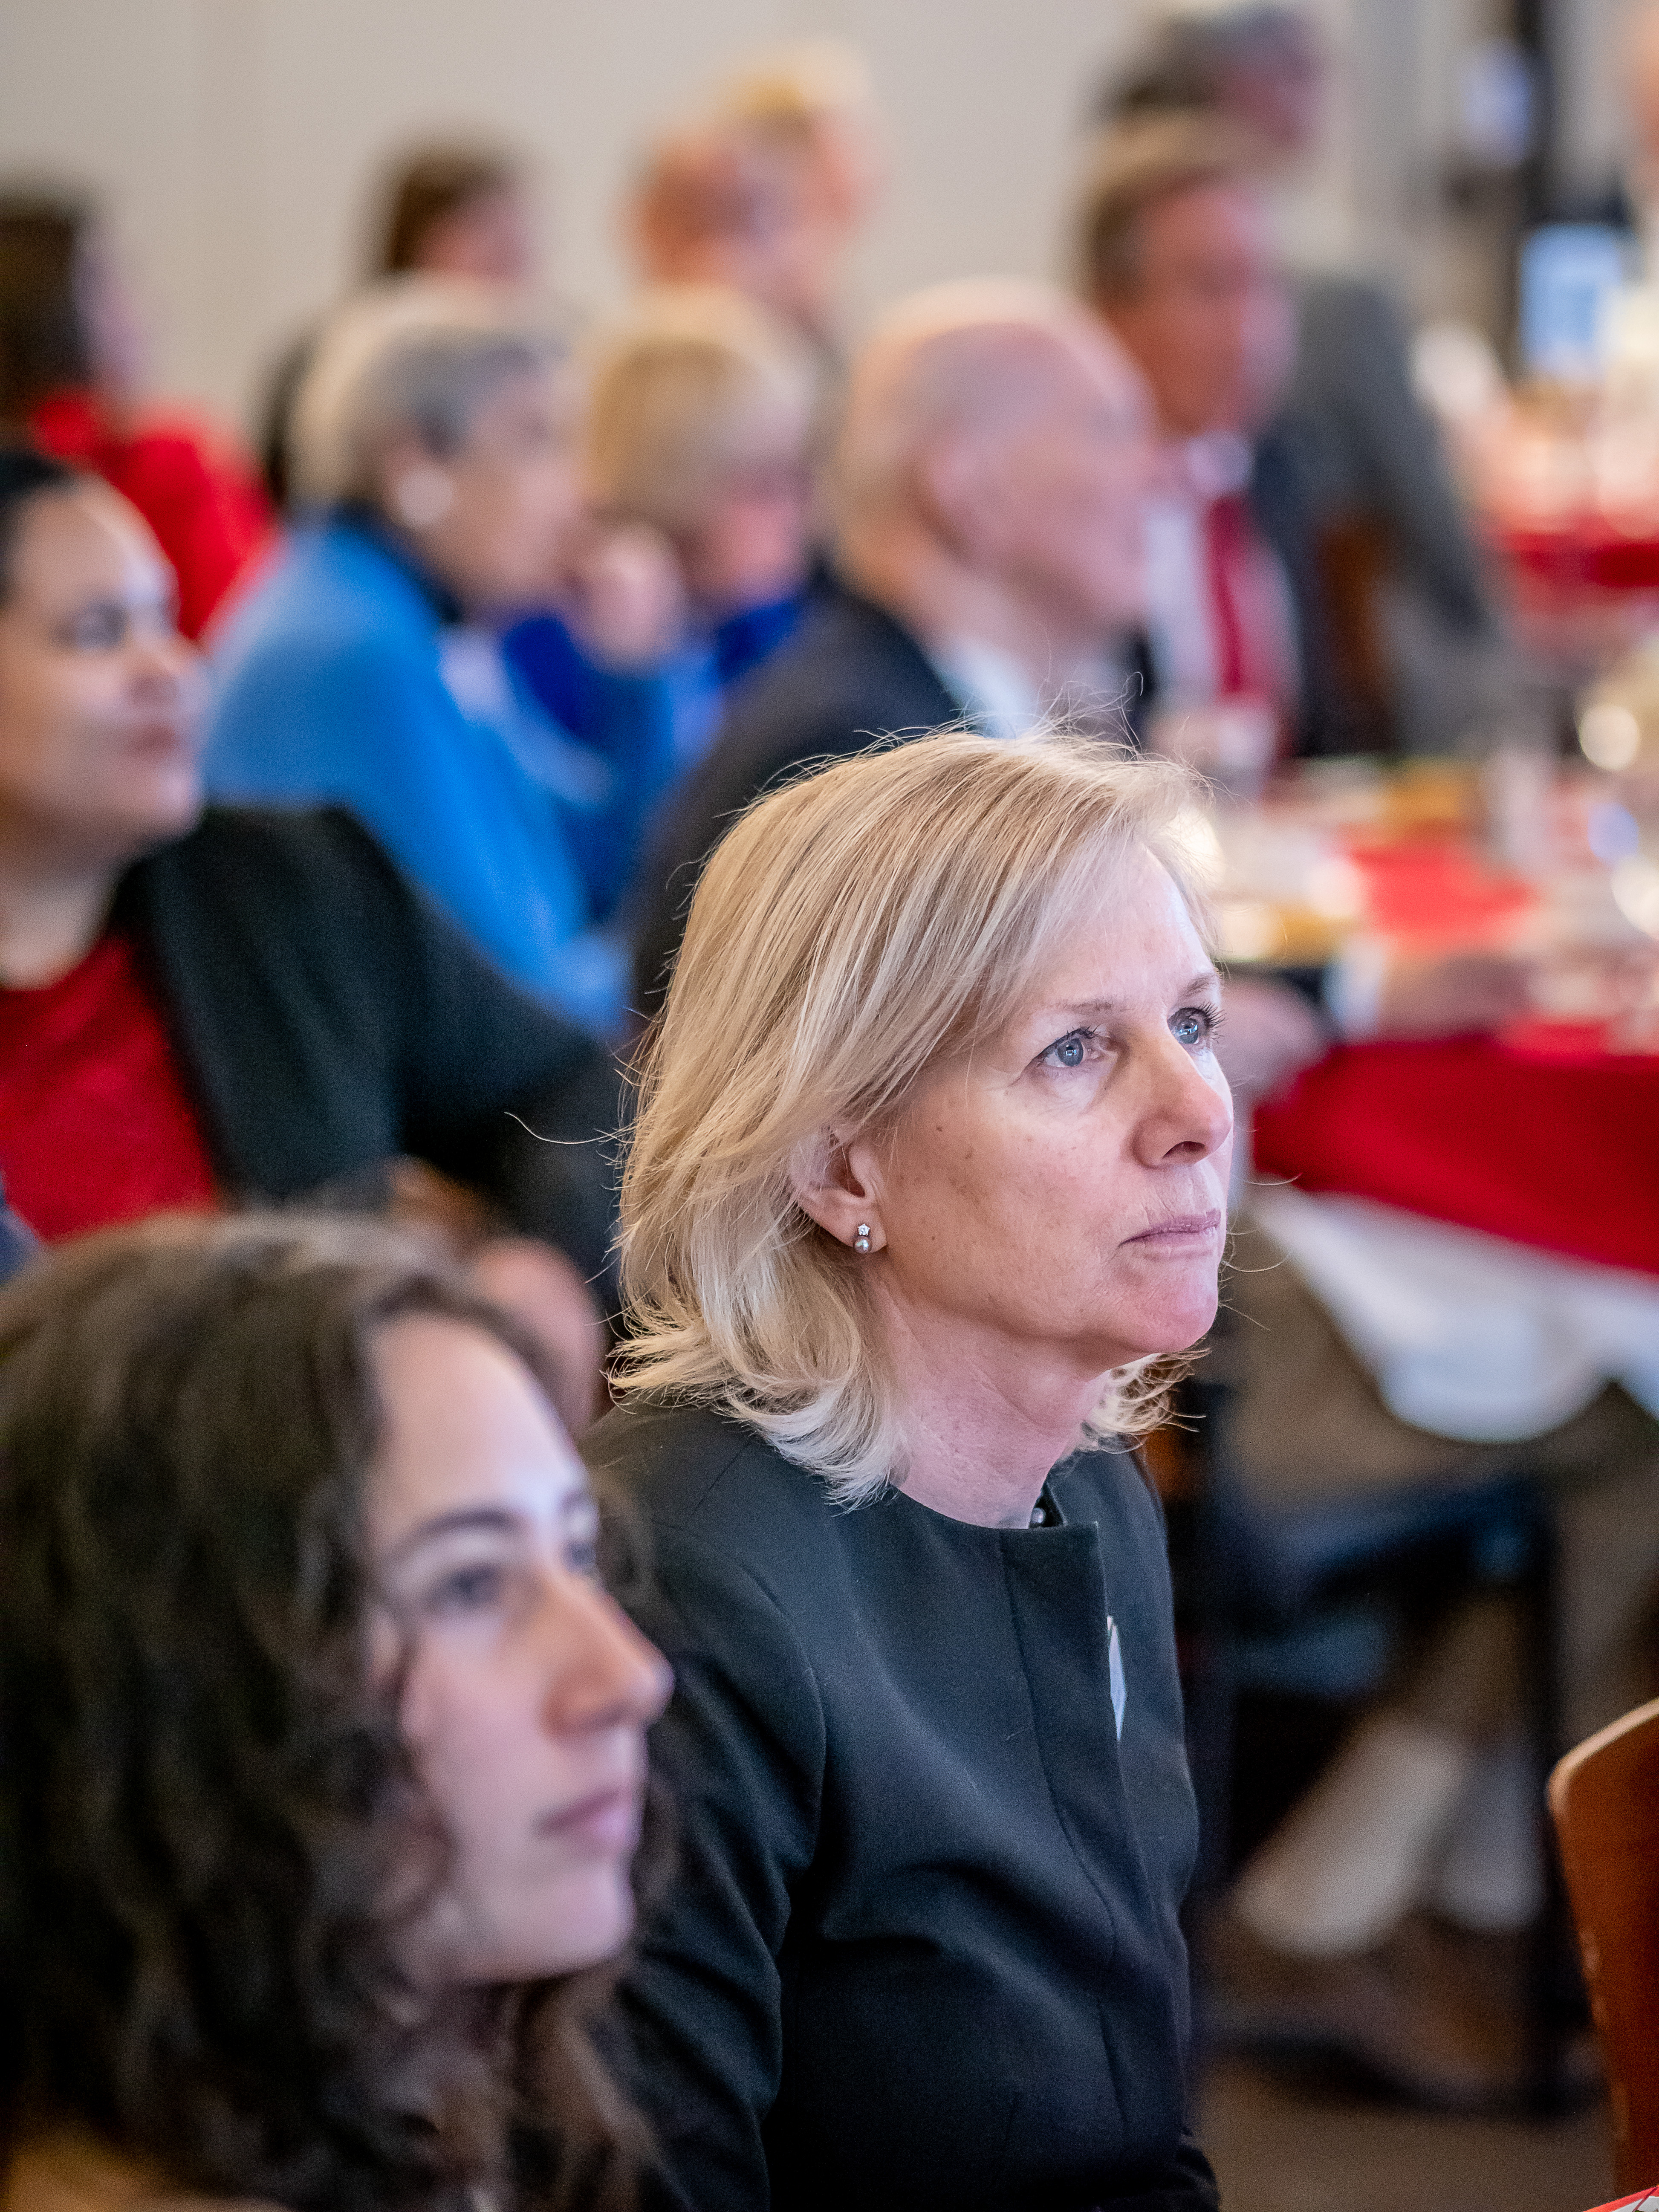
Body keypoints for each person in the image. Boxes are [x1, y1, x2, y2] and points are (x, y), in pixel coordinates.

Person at [591, 731, 1226, 2212]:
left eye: (1192, 1021)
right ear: (840, 1166)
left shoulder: (1089, 1483)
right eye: (1074, 1050)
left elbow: (1131, 2138)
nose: (1197, 1110)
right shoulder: (676, 1583)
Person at [0, 1211, 672, 2212]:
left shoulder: (407, 2117)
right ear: (184, 1692)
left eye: (578, 1555)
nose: (628, 1675)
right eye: (470, 1585)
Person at [0, 446, 619, 1430]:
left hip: (324, 1477)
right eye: (97, 633)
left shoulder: (291, 885)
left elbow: (572, 1088)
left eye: (165, 621)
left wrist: (538, 1258)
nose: (171, 669)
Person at [630, 279, 1155, 1007]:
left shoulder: (912, 699)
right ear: (969, 488)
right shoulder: (857, 749)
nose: (1160, 474)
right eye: (1109, 431)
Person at [207, 281, 673, 1035]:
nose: (580, 493)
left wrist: (633, 679)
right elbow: (521, 997)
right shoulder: (357, 656)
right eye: (535, 439)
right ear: (413, 464)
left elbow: (589, 863)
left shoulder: (402, 614)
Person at [1093, 9, 1504, 756]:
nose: (1248, 330)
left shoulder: (1282, 469)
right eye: (1210, 287)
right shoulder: (1079, 510)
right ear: (1113, 309)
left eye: (1266, 286)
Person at [507, 286, 820, 782]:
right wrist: (634, 680)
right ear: (672, 483)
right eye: (765, 483)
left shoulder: (760, 626)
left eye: (800, 474)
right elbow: (644, 831)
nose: (800, 510)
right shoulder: (544, 646)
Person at [0, 188, 269, 639]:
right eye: (112, 285)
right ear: (54, 315)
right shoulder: (164, 464)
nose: (146, 309)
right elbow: (246, 633)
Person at [260, 141, 537, 512]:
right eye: (484, 227)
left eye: (519, 227)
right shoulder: (332, 355)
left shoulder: (539, 367)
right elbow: (295, 498)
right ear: (419, 238)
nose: (511, 249)